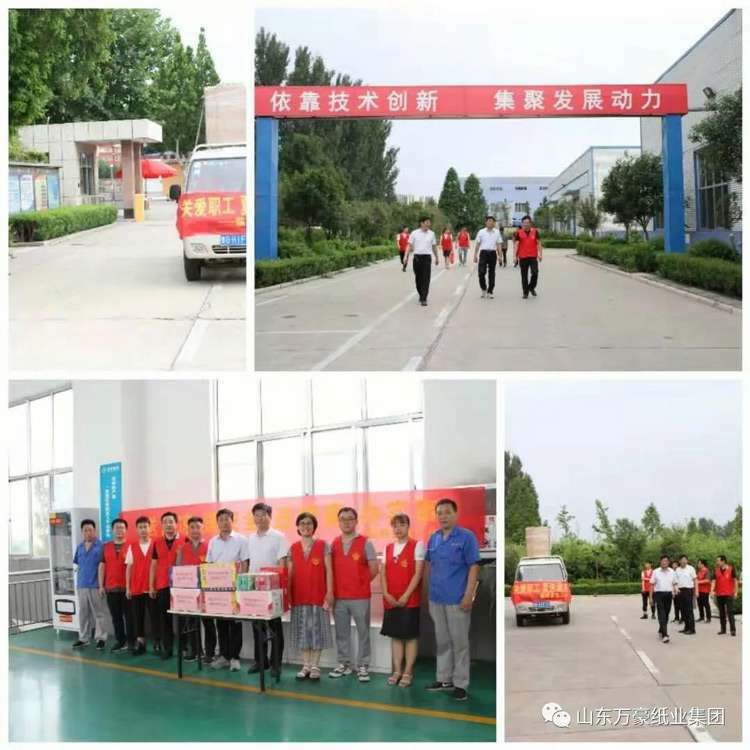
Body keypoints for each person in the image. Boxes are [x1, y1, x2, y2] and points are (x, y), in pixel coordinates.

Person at [424, 499, 480, 702]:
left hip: (457, 599)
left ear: (456, 514)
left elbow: (474, 566)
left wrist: (468, 595)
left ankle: (461, 684)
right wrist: (428, 593)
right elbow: (429, 565)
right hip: (436, 598)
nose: (443, 516)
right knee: (442, 641)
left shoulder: (466, 537)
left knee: (460, 643)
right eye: (439, 513)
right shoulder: (434, 538)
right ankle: (444, 679)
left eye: (447, 512)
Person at [329, 507, 379, 682]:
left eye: (350, 519)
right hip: (339, 598)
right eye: (343, 519)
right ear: (339, 522)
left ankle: (363, 665)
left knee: (363, 631)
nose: (346, 522)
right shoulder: (334, 543)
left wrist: (361, 583)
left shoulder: (366, 542)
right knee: (341, 632)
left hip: (360, 597)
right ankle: (344, 663)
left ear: (356, 521)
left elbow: (374, 568)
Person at [288, 512, 334, 682]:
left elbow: (329, 571)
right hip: (299, 596)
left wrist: (330, 592)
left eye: (309, 523)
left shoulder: (323, 545)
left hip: (318, 595)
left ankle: (315, 666)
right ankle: (305, 665)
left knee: (316, 631)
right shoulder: (293, 548)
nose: (305, 526)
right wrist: (288, 595)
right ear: (297, 527)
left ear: (314, 526)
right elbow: (290, 573)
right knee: (302, 631)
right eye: (302, 523)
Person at [380, 513, 424, 688]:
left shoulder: (417, 545)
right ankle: (397, 670)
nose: (398, 529)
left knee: (410, 637)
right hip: (391, 599)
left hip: (409, 599)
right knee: (396, 636)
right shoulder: (388, 548)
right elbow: (383, 573)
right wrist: (386, 593)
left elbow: (418, 573)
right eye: (395, 525)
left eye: (402, 524)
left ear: (408, 526)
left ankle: (408, 672)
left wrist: (406, 595)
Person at [246, 502, 289, 678]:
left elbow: (282, 563)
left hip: (272, 589)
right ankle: (260, 661)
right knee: (257, 628)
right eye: (257, 515)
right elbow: (250, 563)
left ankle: (276, 664)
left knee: (274, 628)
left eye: (263, 515)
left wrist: (280, 587)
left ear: (270, 517)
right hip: (254, 589)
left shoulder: (278, 536)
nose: (260, 518)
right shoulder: (250, 538)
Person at [206, 508, 250, 671]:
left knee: (235, 625)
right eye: (221, 519)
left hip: (235, 588)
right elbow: (209, 564)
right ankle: (224, 656)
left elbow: (245, 563)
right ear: (217, 522)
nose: (224, 522)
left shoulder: (241, 540)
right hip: (218, 590)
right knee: (221, 624)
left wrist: (241, 585)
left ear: (232, 521)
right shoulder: (213, 541)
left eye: (227, 519)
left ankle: (235, 658)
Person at [175, 516, 212, 663]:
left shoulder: (210, 546)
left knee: (208, 623)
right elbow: (178, 570)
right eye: (192, 527)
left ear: (203, 528)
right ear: (188, 530)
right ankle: (195, 651)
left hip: (206, 592)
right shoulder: (182, 548)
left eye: (198, 527)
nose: (195, 530)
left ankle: (209, 653)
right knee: (190, 623)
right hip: (189, 592)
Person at [71, 519, 110, 650]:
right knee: (83, 613)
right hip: (82, 585)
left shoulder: (101, 546)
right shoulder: (79, 547)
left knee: (99, 613)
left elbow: (104, 566)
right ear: (82, 531)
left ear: (95, 531)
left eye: (90, 530)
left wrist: (102, 585)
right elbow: (78, 564)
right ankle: (84, 638)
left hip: (96, 585)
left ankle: (101, 638)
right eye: (85, 530)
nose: (88, 532)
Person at [149, 511, 181, 659]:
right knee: (164, 619)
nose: (168, 524)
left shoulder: (184, 540)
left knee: (182, 618)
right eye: (165, 522)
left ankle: (184, 647)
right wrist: (151, 585)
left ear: (176, 524)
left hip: (181, 586)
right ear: (162, 525)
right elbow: (153, 565)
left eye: (171, 521)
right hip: (162, 585)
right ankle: (167, 648)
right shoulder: (157, 543)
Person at [98, 518, 132, 653]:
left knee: (130, 617)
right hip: (111, 588)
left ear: (126, 530)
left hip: (128, 589)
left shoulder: (131, 546)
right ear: (112, 530)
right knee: (116, 617)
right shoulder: (106, 547)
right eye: (117, 527)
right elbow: (102, 566)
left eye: (122, 527)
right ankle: (121, 641)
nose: (119, 530)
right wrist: (101, 585)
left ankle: (131, 641)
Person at [125, 516, 156, 656]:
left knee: (155, 617)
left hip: (152, 588)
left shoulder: (155, 544)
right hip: (136, 588)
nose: (143, 530)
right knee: (138, 618)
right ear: (137, 530)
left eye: (145, 526)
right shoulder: (132, 546)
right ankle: (141, 644)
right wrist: (128, 588)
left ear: (150, 528)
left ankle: (158, 643)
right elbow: (129, 568)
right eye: (140, 527)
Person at [404, 216, 439, 306]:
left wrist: (437, 257)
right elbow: (409, 245)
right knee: (418, 279)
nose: (429, 224)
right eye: (427, 222)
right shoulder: (414, 233)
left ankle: (424, 298)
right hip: (417, 258)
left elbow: (434, 247)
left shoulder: (432, 234)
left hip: (427, 258)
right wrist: (405, 256)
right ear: (422, 223)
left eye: (429, 222)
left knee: (426, 279)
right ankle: (421, 294)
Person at [649, 554, 678, 643]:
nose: (664, 562)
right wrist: (650, 598)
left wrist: (676, 589)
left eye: (666, 561)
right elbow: (652, 585)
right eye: (662, 561)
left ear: (668, 562)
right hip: (659, 594)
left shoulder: (672, 571)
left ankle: (661, 629)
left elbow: (674, 583)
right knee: (661, 613)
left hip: (669, 594)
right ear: (660, 562)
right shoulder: (656, 572)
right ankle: (665, 635)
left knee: (667, 614)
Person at [513, 215, 543, 299]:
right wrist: (514, 256)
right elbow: (516, 245)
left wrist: (540, 254)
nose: (526, 224)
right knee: (524, 276)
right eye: (524, 223)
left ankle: (531, 287)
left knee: (535, 273)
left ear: (530, 223)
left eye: (527, 222)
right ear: (522, 223)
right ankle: (525, 292)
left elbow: (539, 243)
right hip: (523, 257)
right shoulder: (519, 232)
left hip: (533, 256)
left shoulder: (535, 231)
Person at [473, 216, 502, 299]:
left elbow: (499, 244)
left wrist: (500, 256)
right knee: (481, 273)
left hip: (493, 253)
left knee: (492, 273)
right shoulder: (481, 232)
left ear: (494, 223)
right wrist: (475, 255)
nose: (490, 222)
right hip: (483, 253)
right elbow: (478, 244)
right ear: (485, 222)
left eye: (492, 221)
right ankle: (483, 288)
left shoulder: (497, 232)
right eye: (488, 221)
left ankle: (490, 291)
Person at [712, 555, 738, 636]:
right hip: (719, 594)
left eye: (718, 561)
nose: (717, 562)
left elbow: (735, 581)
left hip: (729, 594)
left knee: (730, 612)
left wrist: (736, 592)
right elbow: (714, 581)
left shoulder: (731, 569)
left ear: (723, 561)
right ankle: (723, 629)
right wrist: (712, 590)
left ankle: (733, 630)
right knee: (722, 613)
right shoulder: (716, 570)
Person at [675, 554, 697, 635]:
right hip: (680, 591)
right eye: (682, 560)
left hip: (688, 590)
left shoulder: (691, 568)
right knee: (683, 610)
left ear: (687, 561)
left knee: (689, 610)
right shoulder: (677, 570)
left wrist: (696, 591)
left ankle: (692, 629)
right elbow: (675, 581)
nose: (684, 561)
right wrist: (675, 590)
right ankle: (686, 627)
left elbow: (695, 580)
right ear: (679, 561)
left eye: (685, 560)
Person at [696, 558, 712, 623]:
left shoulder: (706, 571)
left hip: (705, 590)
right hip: (699, 590)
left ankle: (708, 618)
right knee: (700, 604)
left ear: (703, 564)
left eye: (699, 563)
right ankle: (701, 617)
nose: (698, 565)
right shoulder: (699, 571)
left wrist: (698, 582)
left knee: (706, 604)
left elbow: (708, 580)